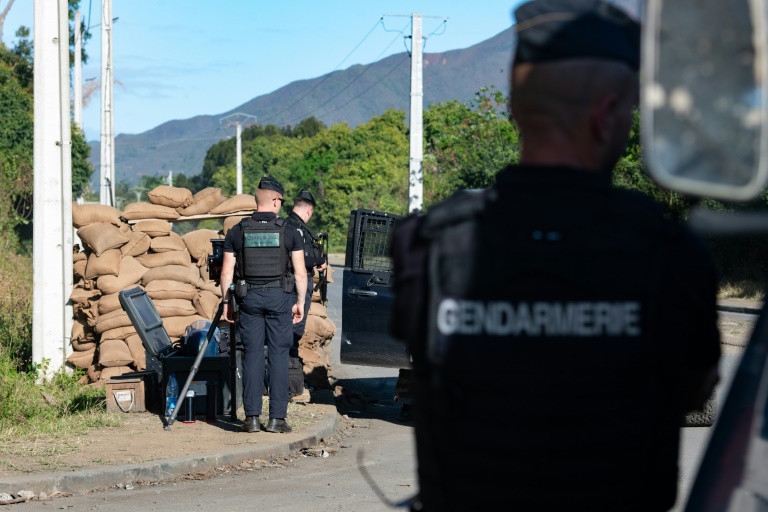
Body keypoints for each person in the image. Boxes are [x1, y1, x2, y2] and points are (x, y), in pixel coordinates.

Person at [389, 1, 722, 510]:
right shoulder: (670, 251)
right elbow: (693, 394)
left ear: (515, 108)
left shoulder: (427, 245)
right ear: (606, 113)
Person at [220, 176, 307, 434]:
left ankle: (252, 419)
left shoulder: (237, 230)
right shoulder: (289, 230)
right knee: (280, 355)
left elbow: (226, 273)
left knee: (253, 356)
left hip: (249, 300)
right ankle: (277, 420)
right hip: (280, 299)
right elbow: (300, 273)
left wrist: (227, 303)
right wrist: (300, 302)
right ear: (276, 200)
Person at [285, 189, 327, 348]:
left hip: (289, 286)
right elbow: (299, 260)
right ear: (309, 210)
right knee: (294, 332)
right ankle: (289, 366)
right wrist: (320, 260)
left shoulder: (287, 225)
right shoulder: (297, 229)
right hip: (296, 288)